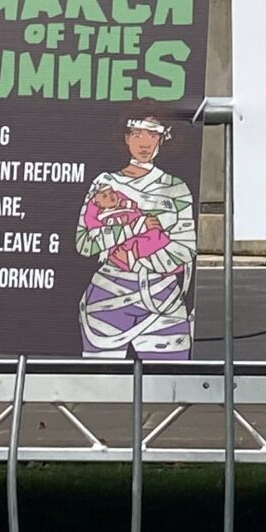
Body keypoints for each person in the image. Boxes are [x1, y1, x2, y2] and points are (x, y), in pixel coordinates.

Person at [76, 116, 198, 358]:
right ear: (126, 138)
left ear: (162, 139)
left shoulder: (177, 188)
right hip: (107, 295)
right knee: (100, 386)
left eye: (152, 135)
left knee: (169, 386)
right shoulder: (105, 184)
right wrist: (132, 229)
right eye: (136, 134)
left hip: (163, 298)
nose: (144, 143)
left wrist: (136, 258)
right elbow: (84, 242)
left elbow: (185, 247)